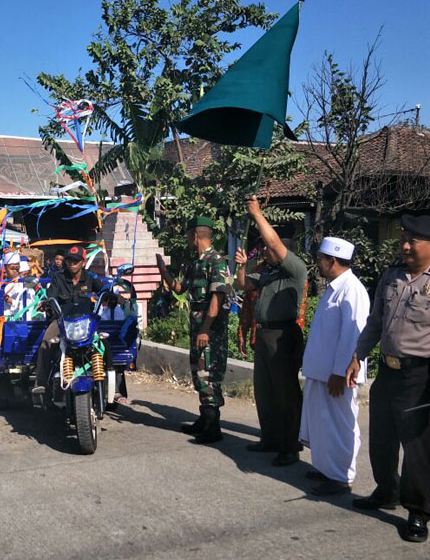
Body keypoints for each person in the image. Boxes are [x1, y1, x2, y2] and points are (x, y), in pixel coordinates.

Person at [348, 215, 430, 543]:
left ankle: (418, 511)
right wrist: (357, 355)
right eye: (403, 240)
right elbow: (375, 321)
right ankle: (386, 490)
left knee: (418, 448)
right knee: (382, 439)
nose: (404, 246)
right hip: (388, 372)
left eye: (412, 241)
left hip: (424, 376)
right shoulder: (392, 276)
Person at [232, 195, 308, 466]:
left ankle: (290, 445)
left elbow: (275, 243)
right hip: (264, 335)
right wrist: (242, 267)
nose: (265, 250)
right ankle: (271, 438)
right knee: (265, 391)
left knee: (286, 393)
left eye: (268, 247)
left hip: (282, 335)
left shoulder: (294, 270)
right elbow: (242, 285)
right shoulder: (267, 272)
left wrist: (256, 214)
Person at [299, 237, 370, 496]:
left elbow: (353, 334)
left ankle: (341, 477)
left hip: (338, 375)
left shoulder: (352, 289)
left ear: (333, 261)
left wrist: (341, 372)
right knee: (321, 423)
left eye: (320, 259)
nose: (317, 263)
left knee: (340, 425)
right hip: (321, 372)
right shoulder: (334, 287)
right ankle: (326, 468)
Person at [156, 217, 233, 444]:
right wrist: (163, 271)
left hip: (210, 328)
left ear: (195, 235)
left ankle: (213, 426)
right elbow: (180, 288)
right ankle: (204, 418)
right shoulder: (196, 263)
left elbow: (217, 298)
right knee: (199, 371)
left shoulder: (215, 261)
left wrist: (205, 330)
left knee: (209, 373)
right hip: (198, 325)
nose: (188, 239)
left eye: (189, 235)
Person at [33, 245, 103, 395]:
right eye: (69, 260)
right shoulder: (58, 278)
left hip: (86, 323)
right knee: (46, 342)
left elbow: (104, 290)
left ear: (83, 262)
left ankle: (114, 386)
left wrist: (114, 296)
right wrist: (45, 303)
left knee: (105, 343)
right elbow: (50, 296)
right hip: (62, 321)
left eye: (76, 261)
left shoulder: (90, 278)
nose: (72, 264)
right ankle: (41, 383)